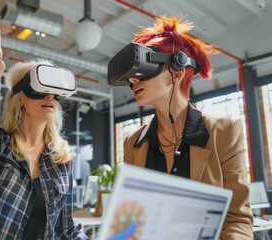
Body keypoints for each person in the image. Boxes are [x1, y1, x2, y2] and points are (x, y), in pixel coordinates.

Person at [108, 16, 253, 239]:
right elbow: (132, 222)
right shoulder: (133, 143)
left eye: (143, 70)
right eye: (129, 77)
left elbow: (237, 219)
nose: (133, 81)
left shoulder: (224, 132)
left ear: (177, 70)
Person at [0, 21, 87, 240]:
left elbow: (65, 228)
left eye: (55, 94)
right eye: (40, 91)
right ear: (21, 99)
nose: (50, 98)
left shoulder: (61, 158)